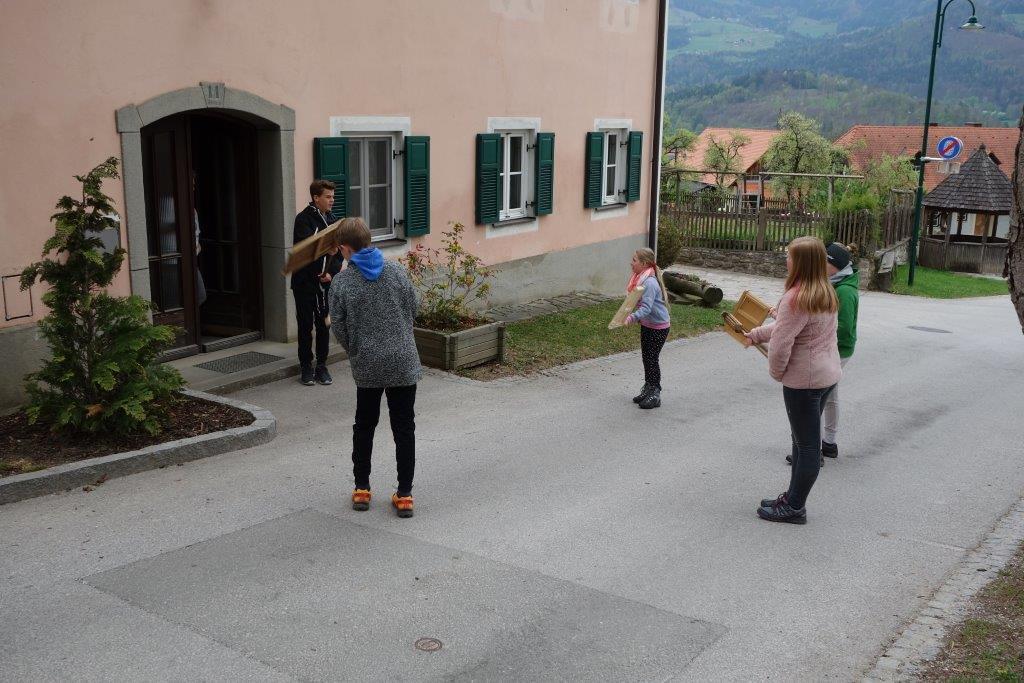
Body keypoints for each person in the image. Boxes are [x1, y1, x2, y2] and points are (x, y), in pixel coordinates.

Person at [328, 217, 423, 518]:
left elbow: (338, 325)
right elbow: (415, 307)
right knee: (404, 428)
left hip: (367, 362)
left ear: (345, 248)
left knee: (364, 426)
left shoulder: (342, 282)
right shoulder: (397, 271)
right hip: (403, 361)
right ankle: (404, 495)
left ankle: (362, 489)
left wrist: (355, 350)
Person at [744, 236, 842, 524]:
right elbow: (787, 328)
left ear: (801, 263)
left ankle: (795, 506)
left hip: (804, 382)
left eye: (789, 256)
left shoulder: (795, 298)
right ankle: (791, 498)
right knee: (802, 442)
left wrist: (777, 373)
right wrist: (757, 334)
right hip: (826, 376)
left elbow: (782, 343)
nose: (786, 260)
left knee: (806, 446)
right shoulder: (824, 292)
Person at [291, 180, 343, 386]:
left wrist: (330, 272)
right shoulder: (303, 219)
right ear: (316, 198)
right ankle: (306, 367)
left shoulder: (333, 219)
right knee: (305, 326)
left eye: (333, 197)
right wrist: (325, 252)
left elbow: (339, 254)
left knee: (323, 325)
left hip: (325, 283)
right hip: (304, 282)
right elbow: (306, 250)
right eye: (328, 197)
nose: (332, 200)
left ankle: (321, 366)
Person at [821, 242, 859, 458]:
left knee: (819, 396)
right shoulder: (833, 283)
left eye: (824, 262)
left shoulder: (844, 291)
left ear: (834, 266)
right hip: (831, 348)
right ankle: (828, 443)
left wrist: (820, 343)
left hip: (838, 349)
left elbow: (843, 328)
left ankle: (813, 448)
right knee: (829, 395)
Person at [624, 248, 671, 410]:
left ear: (644, 264)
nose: (631, 263)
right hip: (647, 324)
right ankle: (648, 388)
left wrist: (631, 318)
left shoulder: (649, 282)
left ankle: (655, 393)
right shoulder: (639, 279)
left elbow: (646, 308)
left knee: (652, 358)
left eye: (634, 260)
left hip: (659, 327)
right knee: (646, 357)